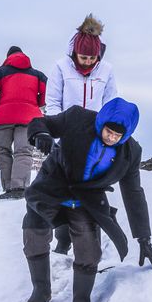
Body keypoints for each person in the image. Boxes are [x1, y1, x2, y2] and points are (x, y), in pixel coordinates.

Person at [22, 97, 152, 302]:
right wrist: (41, 134)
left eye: (118, 136)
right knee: (34, 233)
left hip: (86, 198)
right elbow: (41, 122)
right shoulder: (77, 118)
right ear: (102, 122)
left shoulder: (130, 152)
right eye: (109, 131)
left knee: (89, 250)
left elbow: (133, 193)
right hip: (51, 187)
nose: (112, 137)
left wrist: (144, 237)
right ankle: (41, 289)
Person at [46, 13, 118, 253]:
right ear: (75, 52)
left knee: (91, 188)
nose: (87, 62)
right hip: (66, 136)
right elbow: (53, 102)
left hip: (94, 139)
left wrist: (108, 135)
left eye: (92, 58)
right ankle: (63, 238)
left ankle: (91, 241)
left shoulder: (106, 70)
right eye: (83, 57)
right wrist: (60, 132)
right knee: (64, 188)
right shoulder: (60, 67)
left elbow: (111, 104)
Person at [0, 46, 48, 200]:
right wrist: (34, 104)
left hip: (4, 117)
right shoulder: (37, 75)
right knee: (23, 151)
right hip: (28, 118)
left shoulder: (1, 72)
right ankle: (20, 187)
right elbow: (48, 92)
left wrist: (0, 103)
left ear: (8, 57)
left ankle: (8, 188)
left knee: (3, 151)